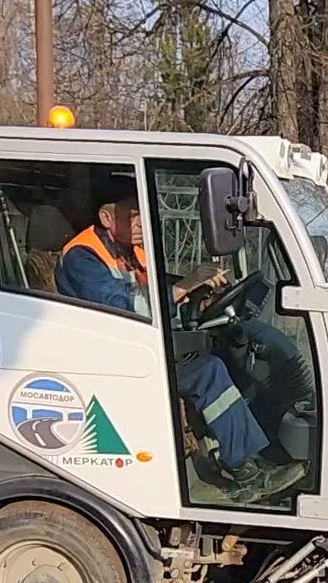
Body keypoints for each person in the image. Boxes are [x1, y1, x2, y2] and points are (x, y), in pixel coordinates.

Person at [56, 196, 289, 496]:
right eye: (134, 214)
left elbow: (154, 291)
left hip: (135, 347)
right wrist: (183, 287)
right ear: (106, 218)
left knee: (221, 355)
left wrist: (199, 293)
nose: (141, 222)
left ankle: (245, 454)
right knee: (208, 371)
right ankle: (243, 472)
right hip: (108, 360)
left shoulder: (129, 251)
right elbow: (124, 308)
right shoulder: (82, 256)